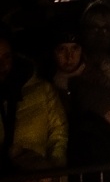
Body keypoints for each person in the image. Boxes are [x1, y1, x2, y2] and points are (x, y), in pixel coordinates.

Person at [0, 29, 69, 172]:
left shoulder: (42, 90)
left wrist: (53, 173)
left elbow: (58, 134)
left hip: (36, 178)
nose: (2, 64)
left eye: (7, 57)